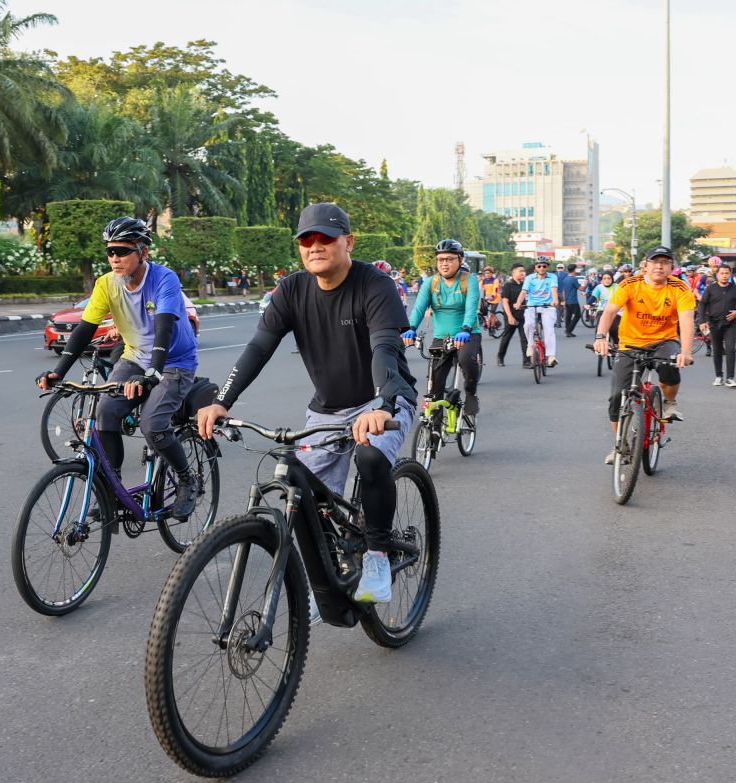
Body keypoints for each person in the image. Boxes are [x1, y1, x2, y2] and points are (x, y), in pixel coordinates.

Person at [197, 202, 418, 604]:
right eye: (306, 240)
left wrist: (383, 404)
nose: (315, 246)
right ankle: (326, 572)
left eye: (325, 238)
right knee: (303, 494)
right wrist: (221, 401)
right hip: (327, 409)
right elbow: (259, 347)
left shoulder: (375, 285)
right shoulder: (291, 290)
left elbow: (385, 349)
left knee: (369, 458)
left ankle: (378, 556)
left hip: (385, 400)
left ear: (348, 242)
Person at [37, 216, 200, 519]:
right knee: (105, 413)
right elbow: (85, 329)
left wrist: (152, 373)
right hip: (134, 357)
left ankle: (188, 480)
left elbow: (163, 328)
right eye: (110, 252)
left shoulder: (165, 279)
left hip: (175, 363)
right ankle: (114, 490)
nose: (115, 258)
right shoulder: (106, 285)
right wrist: (59, 371)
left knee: (153, 425)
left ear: (143, 252)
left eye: (123, 251)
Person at [594, 245, 695, 464]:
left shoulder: (680, 288)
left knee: (670, 367)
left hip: (664, 341)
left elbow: (687, 321)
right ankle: (621, 444)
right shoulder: (630, 284)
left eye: (665, 262)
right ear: (645, 265)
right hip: (630, 343)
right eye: (655, 262)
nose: (659, 266)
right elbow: (610, 311)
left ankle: (669, 402)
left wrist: (685, 352)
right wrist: (601, 337)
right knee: (616, 395)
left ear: (672, 267)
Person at [404, 238, 482, 413]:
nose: (444, 264)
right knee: (434, 385)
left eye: (449, 259)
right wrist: (410, 328)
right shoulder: (431, 283)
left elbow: (471, 308)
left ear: (460, 260)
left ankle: (471, 393)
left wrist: (466, 329)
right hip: (441, 337)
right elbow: (418, 308)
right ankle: (434, 429)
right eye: (441, 259)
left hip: (467, 334)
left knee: (465, 360)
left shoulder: (469, 281)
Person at [697, 263, 736, 387]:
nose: (724, 276)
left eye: (727, 273)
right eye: (722, 273)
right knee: (717, 350)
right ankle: (718, 376)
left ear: (730, 274)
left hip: (730, 324)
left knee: (730, 349)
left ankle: (730, 378)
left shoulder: (735, 289)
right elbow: (702, 304)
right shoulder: (711, 288)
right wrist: (702, 321)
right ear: (717, 275)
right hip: (714, 323)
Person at [516, 256, 559, 367]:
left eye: (544, 266)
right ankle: (530, 345)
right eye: (539, 266)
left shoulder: (552, 277)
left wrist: (555, 300)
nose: (541, 268)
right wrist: (518, 303)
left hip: (547, 306)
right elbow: (523, 292)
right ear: (535, 267)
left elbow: (554, 290)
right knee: (528, 325)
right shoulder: (530, 278)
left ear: (548, 267)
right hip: (531, 305)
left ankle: (551, 356)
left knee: (549, 329)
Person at [497, 264, 529, 368]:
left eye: (524, 271)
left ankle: (526, 361)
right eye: (520, 271)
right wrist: (510, 317)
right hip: (511, 315)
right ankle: (500, 357)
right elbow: (505, 302)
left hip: (523, 315)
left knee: (525, 338)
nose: (523, 273)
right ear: (513, 272)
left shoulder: (524, 285)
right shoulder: (508, 285)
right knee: (506, 338)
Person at [561, 264, 583, 337]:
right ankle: (568, 330)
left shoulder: (565, 279)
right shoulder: (574, 279)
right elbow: (581, 289)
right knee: (578, 315)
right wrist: (586, 284)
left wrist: (564, 301)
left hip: (567, 300)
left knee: (568, 316)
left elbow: (563, 291)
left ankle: (568, 331)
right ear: (574, 270)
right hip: (573, 301)